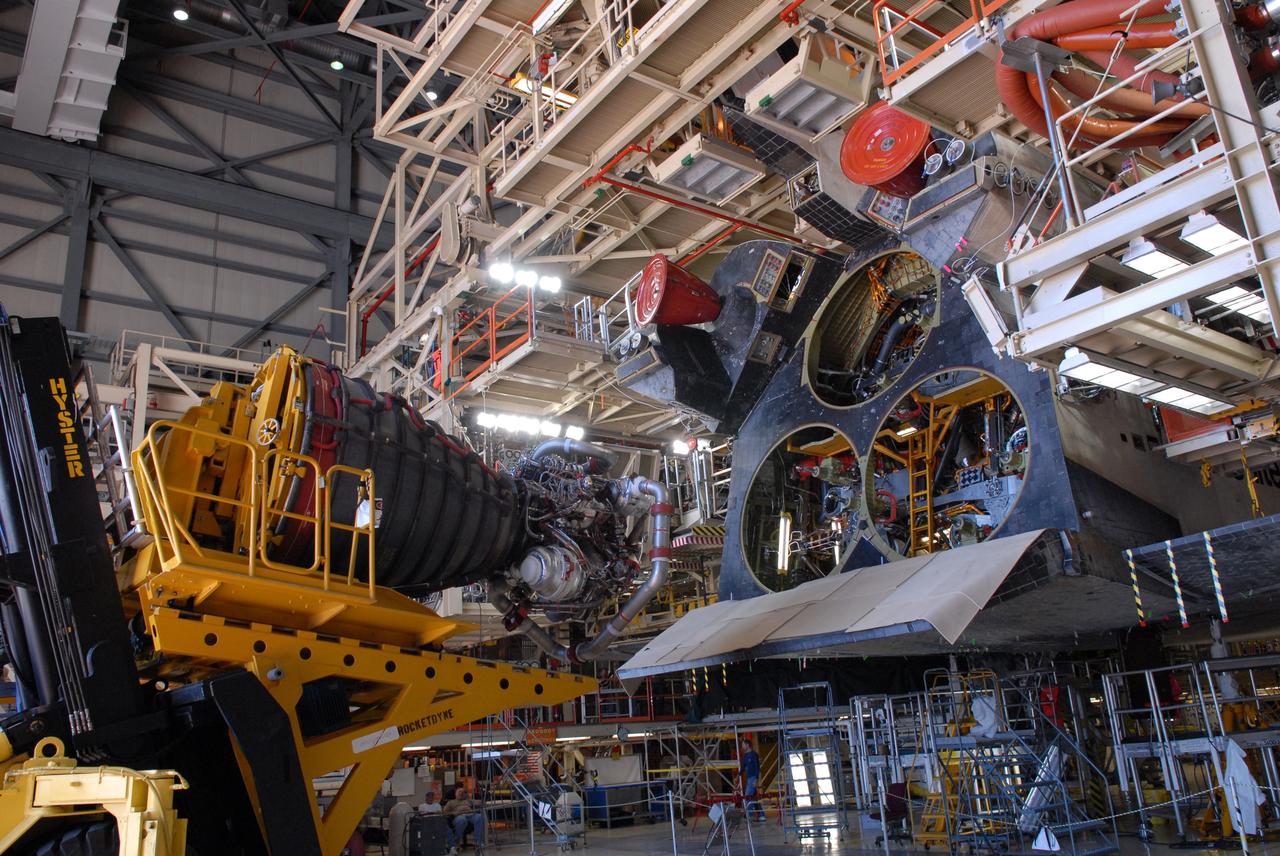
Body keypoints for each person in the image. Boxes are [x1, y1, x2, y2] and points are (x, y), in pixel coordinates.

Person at [443, 786, 485, 852]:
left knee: (479, 817)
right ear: (455, 794)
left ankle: (478, 842)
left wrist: (480, 799)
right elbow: (445, 812)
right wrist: (454, 812)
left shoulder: (468, 800)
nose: (461, 793)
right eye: (459, 792)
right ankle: (456, 841)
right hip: (459, 816)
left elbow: (481, 802)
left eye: (463, 792)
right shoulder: (451, 802)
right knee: (462, 820)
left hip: (470, 814)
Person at [740, 739, 765, 822]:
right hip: (748, 779)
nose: (742, 746)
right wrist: (738, 775)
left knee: (747, 797)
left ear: (747, 745)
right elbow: (743, 767)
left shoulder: (754, 755)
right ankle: (761, 815)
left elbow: (757, 767)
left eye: (743, 744)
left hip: (753, 778)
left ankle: (749, 815)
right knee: (754, 798)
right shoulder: (745, 756)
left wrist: (756, 779)